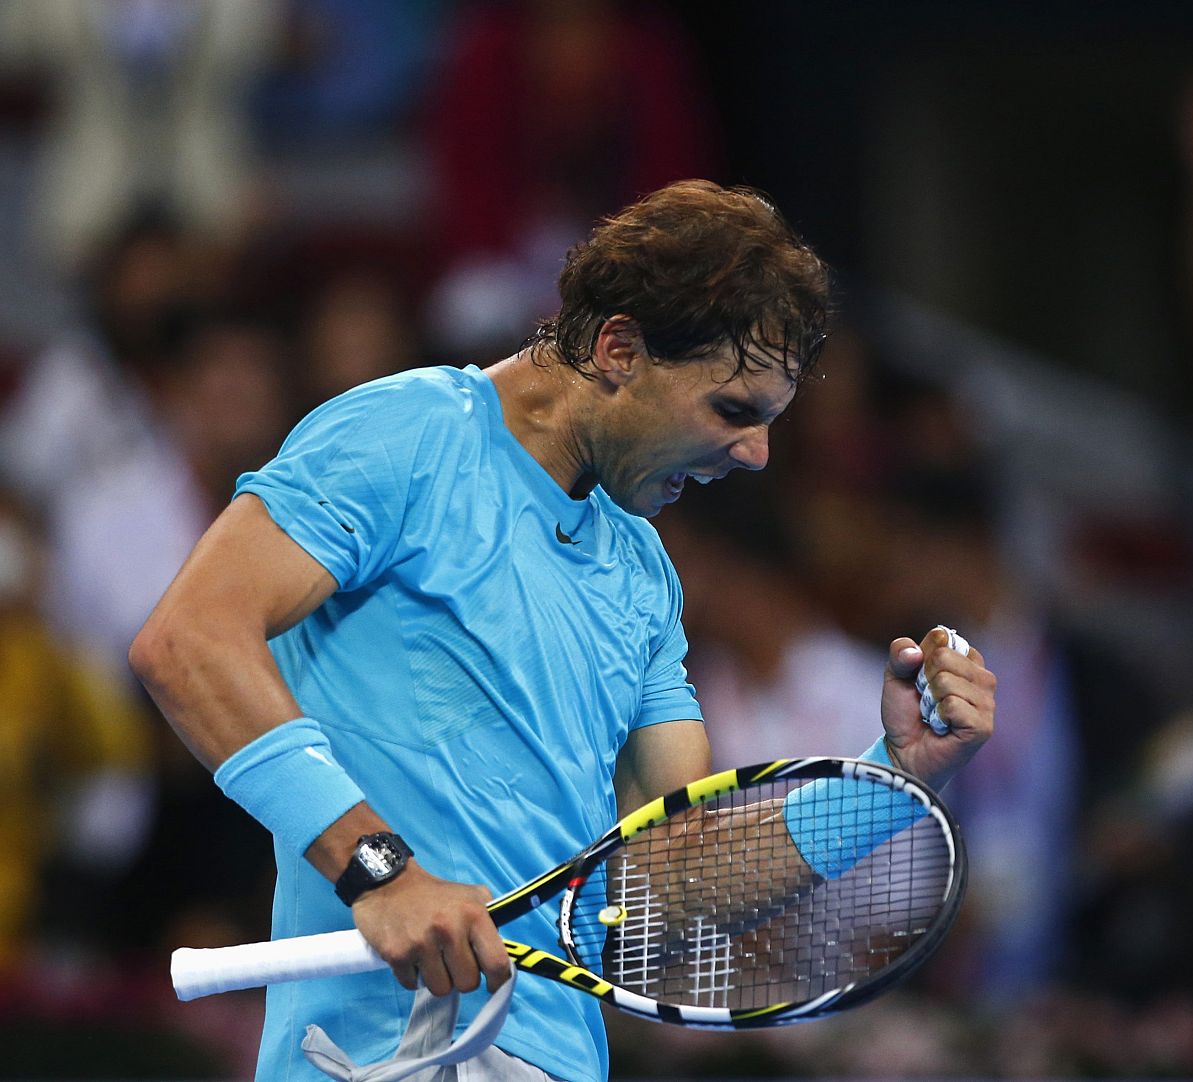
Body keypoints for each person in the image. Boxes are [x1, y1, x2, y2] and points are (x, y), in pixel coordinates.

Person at [129, 180, 997, 1082]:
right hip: (382, 1058)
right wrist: (380, 872)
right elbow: (190, 639)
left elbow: (677, 875)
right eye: (733, 410)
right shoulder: (406, 436)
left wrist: (895, 775)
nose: (755, 455)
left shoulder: (645, 576)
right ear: (620, 348)